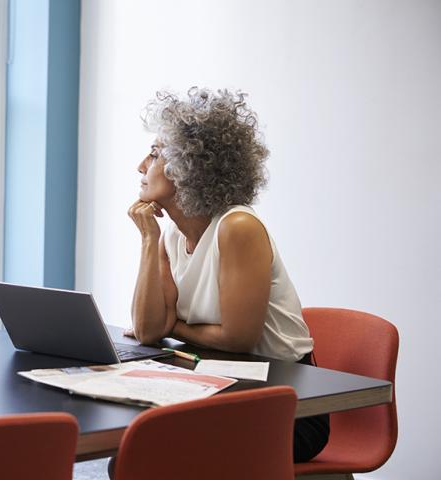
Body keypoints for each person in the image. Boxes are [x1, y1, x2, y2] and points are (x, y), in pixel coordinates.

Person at [127, 88, 329, 464]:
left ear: (191, 166)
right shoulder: (170, 234)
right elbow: (147, 330)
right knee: (130, 458)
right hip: (220, 389)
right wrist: (148, 237)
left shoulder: (237, 227)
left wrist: (175, 326)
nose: (141, 166)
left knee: (151, 458)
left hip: (287, 405)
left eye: (155, 154)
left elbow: (237, 339)